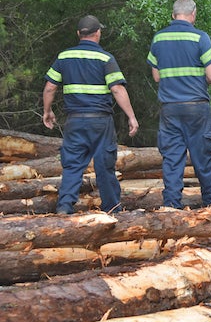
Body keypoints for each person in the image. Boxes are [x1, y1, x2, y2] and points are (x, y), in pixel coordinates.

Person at [42, 15, 139, 214]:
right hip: (100, 122)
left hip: (75, 121)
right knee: (105, 166)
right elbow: (118, 90)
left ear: (79, 34)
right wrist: (131, 116)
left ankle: (65, 206)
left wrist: (47, 111)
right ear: (98, 33)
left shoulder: (64, 57)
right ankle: (112, 209)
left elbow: (50, 87)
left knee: (72, 165)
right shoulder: (105, 59)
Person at [147, 0, 211, 208]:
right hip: (196, 106)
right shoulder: (200, 38)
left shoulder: (159, 39)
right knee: (204, 157)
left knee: (172, 158)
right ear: (193, 14)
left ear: (173, 15)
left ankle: (171, 206)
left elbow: (156, 76)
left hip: (170, 108)